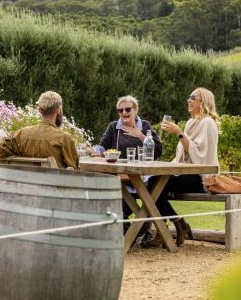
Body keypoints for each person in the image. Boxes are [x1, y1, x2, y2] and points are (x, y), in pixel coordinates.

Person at [143, 87, 220, 247]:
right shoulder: (191, 123)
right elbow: (184, 155)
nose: (189, 100)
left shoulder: (208, 123)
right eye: (188, 97)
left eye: (193, 97)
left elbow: (200, 156)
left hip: (200, 179)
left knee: (155, 183)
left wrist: (179, 133)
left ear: (203, 102)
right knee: (153, 183)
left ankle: (167, 228)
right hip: (186, 174)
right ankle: (175, 225)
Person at [93, 95, 162, 233]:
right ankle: (137, 227)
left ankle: (138, 227)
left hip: (143, 177)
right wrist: (94, 150)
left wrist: (140, 135)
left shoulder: (145, 126)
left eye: (127, 109)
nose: (124, 113)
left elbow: (158, 150)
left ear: (135, 110)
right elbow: (103, 147)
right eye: (120, 110)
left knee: (154, 190)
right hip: (122, 177)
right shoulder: (114, 127)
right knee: (116, 200)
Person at [0, 91, 79, 169]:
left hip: (24, 184)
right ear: (58, 110)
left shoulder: (20, 134)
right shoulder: (64, 139)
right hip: (54, 185)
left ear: (39, 110)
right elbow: (74, 171)